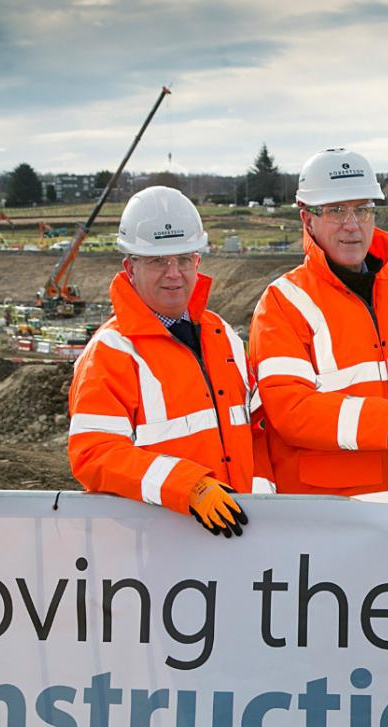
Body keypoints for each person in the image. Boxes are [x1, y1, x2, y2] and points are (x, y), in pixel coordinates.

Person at [248, 147, 388, 504]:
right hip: (339, 524)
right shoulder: (283, 303)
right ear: (307, 219)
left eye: (362, 209)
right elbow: (290, 410)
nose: (352, 225)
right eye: (336, 211)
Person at [67, 186, 268, 538]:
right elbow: (94, 455)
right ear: (130, 268)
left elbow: (256, 431)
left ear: (197, 262)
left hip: (237, 537)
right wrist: (189, 487)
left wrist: (270, 509)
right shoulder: (111, 353)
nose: (173, 272)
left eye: (183, 258)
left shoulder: (223, 335)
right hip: (158, 551)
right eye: (158, 261)